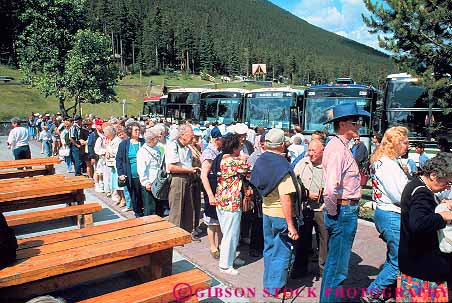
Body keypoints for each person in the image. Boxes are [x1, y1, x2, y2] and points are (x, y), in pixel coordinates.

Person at [320, 102, 370, 303]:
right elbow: (331, 188)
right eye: (354, 122)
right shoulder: (337, 149)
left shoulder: (340, 146)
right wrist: (334, 212)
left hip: (343, 209)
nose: (358, 125)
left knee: (335, 264)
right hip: (342, 210)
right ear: (342, 124)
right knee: (338, 267)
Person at [361, 126, 410, 303]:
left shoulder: (384, 161)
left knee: (393, 256)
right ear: (396, 143)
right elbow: (399, 195)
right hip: (391, 214)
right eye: (405, 142)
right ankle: (371, 294)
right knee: (398, 262)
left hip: (387, 213)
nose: (408, 146)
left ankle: (388, 294)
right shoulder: (388, 165)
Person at [250, 128, 300, 299]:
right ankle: (276, 288)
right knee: (282, 251)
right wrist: (291, 225)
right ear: (281, 145)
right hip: (281, 213)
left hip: (266, 211)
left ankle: (268, 284)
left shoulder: (261, 159)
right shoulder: (282, 166)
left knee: (270, 249)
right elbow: (285, 197)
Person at [398, 152, 452, 302]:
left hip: (413, 261)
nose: (447, 187)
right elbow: (419, 223)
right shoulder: (422, 193)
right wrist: (444, 216)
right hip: (421, 267)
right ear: (434, 175)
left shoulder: (417, 185)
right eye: (447, 182)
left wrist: (441, 204)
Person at [215, 134, 251, 275]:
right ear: (234, 148)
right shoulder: (234, 161)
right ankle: (225, 265)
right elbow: (248, 167)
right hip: (231, 201)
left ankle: (230, 259)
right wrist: (242, 157)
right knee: (231, 234)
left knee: (229, 232)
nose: (241, 147)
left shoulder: (223, 158)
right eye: (240, 146)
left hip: (222, 199)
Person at [293, 139, 328, 278]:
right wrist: (306, 194)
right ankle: (300, 269)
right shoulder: (303, 163)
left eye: (314, 151)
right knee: (303, 239)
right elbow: (294, 183)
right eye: (309, 150)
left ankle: (323, 270)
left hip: (322, 208)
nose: (310, 154)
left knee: (324, 239)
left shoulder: (329, 165)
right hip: (306, 207)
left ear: (322, 151)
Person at [166, 125, 200, 233]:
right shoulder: (173, 146)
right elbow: (171, 167)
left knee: (187, 209)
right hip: (177, 179)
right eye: (191, 135)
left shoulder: (188, 148)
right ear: (183, 136)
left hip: (187, 179)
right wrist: (189, 170)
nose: (193, 137)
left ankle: (184, 233)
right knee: (176, 209)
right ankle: (173, 234)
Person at [200, 126, 224, 259]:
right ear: (217, 139)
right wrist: (209, 195)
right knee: (212, 221)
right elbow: (204, 175)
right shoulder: (209, 153)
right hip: (211, 189)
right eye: (222, 139)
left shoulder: (218, 151)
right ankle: (213, 246)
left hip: (218, 189)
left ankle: (220, 244)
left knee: (219, 220)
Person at [117, 122, 145, 217]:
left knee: (145, 196)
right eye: (135, 130)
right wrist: (120, 173)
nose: (138, 132)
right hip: (131, 175)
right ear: (130, 131)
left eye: (138, 130)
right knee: (134, 196)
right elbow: (119, 160)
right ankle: (138, 213)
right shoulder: (124, 144)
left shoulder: (144, 142)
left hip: (144, 175)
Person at [136, 128, 161, 216]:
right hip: (149, 183)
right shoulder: (143, 152)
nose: (158, 139)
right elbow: (141, 169)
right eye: (157, 137)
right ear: (152, 139)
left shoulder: (156, 148)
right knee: (150, 208)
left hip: (158, 181)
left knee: (158, 207)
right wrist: (146, 182)